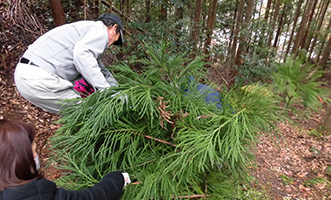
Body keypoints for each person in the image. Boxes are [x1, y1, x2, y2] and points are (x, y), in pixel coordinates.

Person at [14, 14, 124, 114]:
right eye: (115, 41)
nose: (109, 45)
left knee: (77, 115)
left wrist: (119, 92)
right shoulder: (99, 30)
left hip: (26, 75)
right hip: (39, 76)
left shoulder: (85, 32)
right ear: (114, 28)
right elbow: (82, 55)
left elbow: (101, 71)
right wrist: (107, 92)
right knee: (91, 114)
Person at [0, 118, 131, 200]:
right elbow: (94, 197)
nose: (36, 156)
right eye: (33, 152)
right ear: (18, 160)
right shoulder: (37, 194)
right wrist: (116, 179)